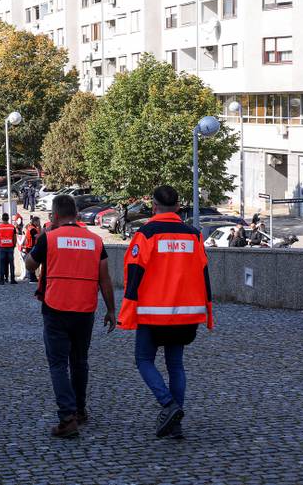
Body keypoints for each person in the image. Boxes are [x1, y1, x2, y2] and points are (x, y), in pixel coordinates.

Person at [119, 185, 214, 440]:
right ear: (178, 207)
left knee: (143, 360)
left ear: (154, 206)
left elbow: (134, 274)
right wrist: (209, 311)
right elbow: (204, 273)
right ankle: (176, 424)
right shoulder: (194, 236)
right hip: (186, 314)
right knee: (176, 365)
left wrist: (127, 313)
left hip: (153, 313)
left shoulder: (147, 234)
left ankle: (169, 405)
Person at [25, 194, 116, 439]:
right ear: (76, 214)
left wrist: (37, 248)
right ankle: (80, 410)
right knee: (79, 361)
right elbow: (104, 279)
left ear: (54, 215)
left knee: (57, 364)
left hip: (56, 308)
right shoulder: (95, 240)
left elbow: (30, 265)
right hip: (85, 309)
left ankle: (67, 417)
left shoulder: (50, 238)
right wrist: (111, 309)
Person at [0, 213, 17, 285]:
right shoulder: (12, 227)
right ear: (8, 218)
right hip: (10, 247)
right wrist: (14, 245)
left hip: (2, 247)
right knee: (11, 263)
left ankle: (1, 280)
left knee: (2, 264)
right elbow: (14, 237)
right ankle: (12, 279)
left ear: (2, 218)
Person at [23, 217, 40, 283]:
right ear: (35, 222)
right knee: (32, 263)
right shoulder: (33, 229)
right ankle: (32, 278)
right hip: (31, 247)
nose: (39, 223)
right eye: (38, 221)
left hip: (29, 247)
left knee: (31, 263)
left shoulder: (30, 227)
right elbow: (37, 236)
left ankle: (33, 277)